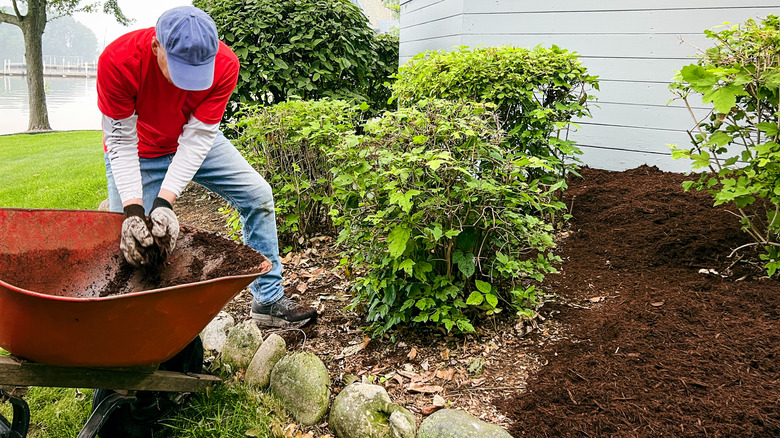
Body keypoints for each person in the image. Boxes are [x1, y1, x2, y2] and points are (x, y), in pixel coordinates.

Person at [97, 5, 316, 328]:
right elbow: (120, 141)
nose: (189, 85)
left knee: (258, 195)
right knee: (132, 243)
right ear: (157, 47)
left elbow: (198, 138)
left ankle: (268, 301)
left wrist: (164, 203)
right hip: (139, 149)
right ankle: (128, 330)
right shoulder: (119, 61)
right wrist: (133, 209)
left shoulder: (225, 65)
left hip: (193, 138)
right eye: (181, 70)